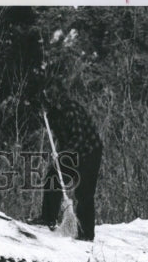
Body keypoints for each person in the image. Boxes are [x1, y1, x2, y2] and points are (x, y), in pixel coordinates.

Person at [40, 89, 103, 241]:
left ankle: (86, 233)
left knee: (84, 193)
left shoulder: (71, 110)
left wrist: (63, 154)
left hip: (89, 151)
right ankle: (48, 219)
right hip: (71, 151)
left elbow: (79, 138)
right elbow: (60, 134)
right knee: (53, 178)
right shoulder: (53, 114)